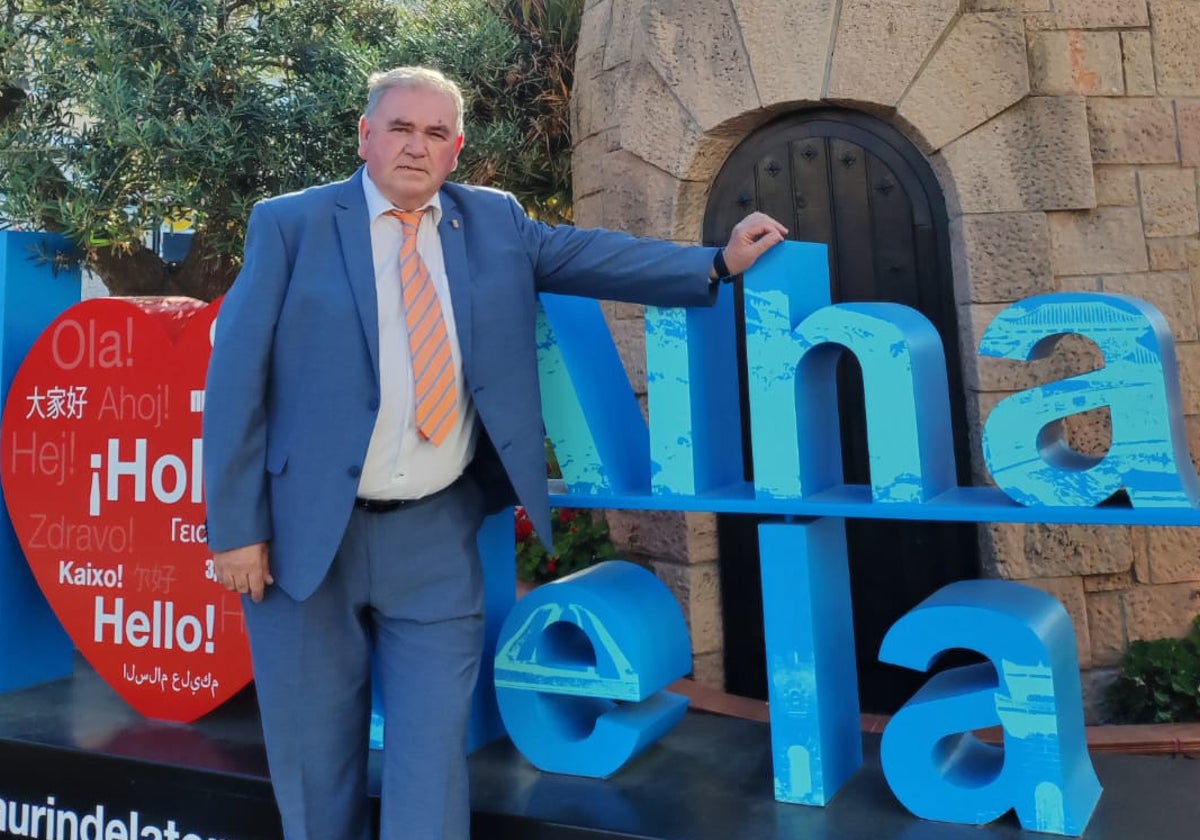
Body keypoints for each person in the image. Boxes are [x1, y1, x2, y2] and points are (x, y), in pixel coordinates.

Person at [202, 65, 786, 840]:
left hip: (434, 533)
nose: (416, 146)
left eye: (435, 133)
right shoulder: (290, 225)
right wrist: (236, 528)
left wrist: (714, 262)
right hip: (307, 535)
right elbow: (236, 380)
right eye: (401, 128)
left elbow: (593, 255)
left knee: (432, 755)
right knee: (314, 758)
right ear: (366, 135)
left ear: (456, 149)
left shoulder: (494, 222)